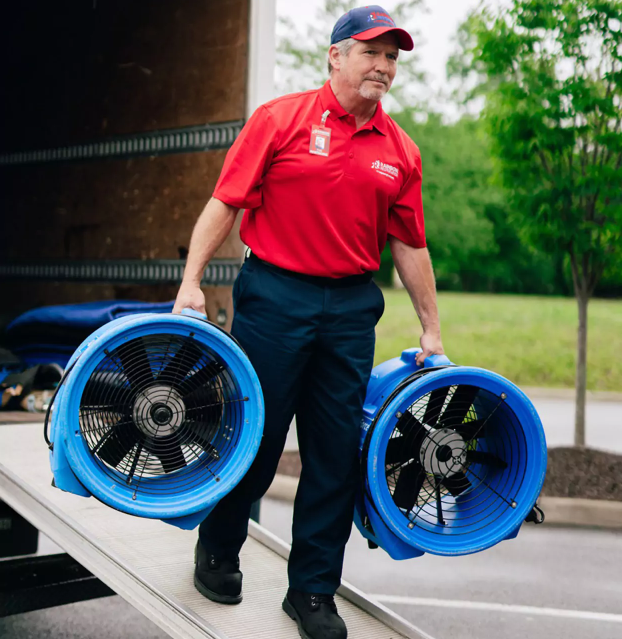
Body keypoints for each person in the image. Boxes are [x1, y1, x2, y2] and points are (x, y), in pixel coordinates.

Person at [173, 5, 444, 638]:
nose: (383, 67)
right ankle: (217, 549)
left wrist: (430, 328)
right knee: (257, 439)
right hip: (275, 296)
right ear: (336, 55)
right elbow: (225, 203)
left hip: (350, 309)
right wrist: (190, 282)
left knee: (333, 455)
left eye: (393, 57)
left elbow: (410, 245)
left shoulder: (400, 150)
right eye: (372, 53)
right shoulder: (280, 119)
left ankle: (313, 591)